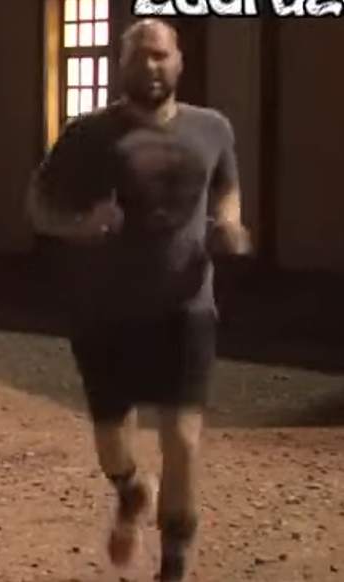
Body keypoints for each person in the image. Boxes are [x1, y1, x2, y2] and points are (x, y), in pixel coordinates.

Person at [26, 19, 252, 582]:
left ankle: (173, 567)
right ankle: (130, 489)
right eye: (138, 56)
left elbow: (226, 189)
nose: (149, 66)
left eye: (159, 55)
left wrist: (229, 225)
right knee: (112, 442)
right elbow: (39, 205)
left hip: (186, 306)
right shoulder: (87, 135)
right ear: (121, 65)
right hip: (105, 311)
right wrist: (81, 225)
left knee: (183, 439)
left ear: (178, 61)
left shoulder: (212, 129)